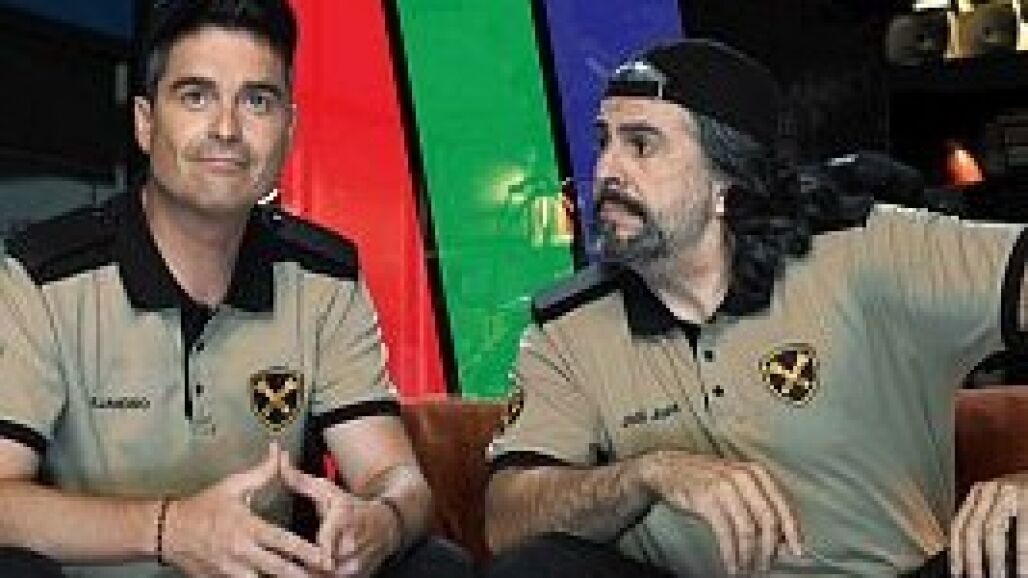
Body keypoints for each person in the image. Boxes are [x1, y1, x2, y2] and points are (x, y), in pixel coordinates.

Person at [483, 38, 1027, 578]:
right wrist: (646, 475)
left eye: (641, 145)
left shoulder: (869, 251)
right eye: (603, 142)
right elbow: (507, 522)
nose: (607, 170)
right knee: (535, 567)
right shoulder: (567, 328)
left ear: (726, 182)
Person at [0, 1, 473, 577]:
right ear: (146, 123)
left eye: (257, 101)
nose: (227, 129)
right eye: (196, 96)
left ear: (288, 130)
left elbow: (396, 478)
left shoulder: (324, 279)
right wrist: (171, 529)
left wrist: (381, 521)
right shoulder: (42, 279)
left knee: (432, 563)